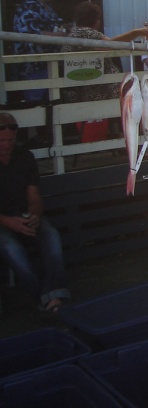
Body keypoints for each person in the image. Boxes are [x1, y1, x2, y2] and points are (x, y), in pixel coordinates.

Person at [0, 112, 70, 314]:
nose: (6, 145)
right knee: (10, 247)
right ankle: (48, 298)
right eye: (2, 140)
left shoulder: (25, 157)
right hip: (2, 221)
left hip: (23, 215)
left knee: (50, 234)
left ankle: (51, 297)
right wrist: (9, 222)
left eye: (10, 140)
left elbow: (34, 195)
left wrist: (35, 214)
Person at [61, 1, 148, 103]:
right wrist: (136, 33)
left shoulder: (73, 34)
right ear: (96, 21)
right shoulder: (86, 33)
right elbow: (111, 45)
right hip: (93, 91)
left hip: (84, 86)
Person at [11, 0, 68, 103]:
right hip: (34, 66)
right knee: (36, 105)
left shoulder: (47, 5)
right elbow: (31, 35)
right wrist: (60, 35)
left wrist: (66, 27)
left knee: (53, 104)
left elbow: (54, 25)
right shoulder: (28, 7)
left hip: (51, 64)